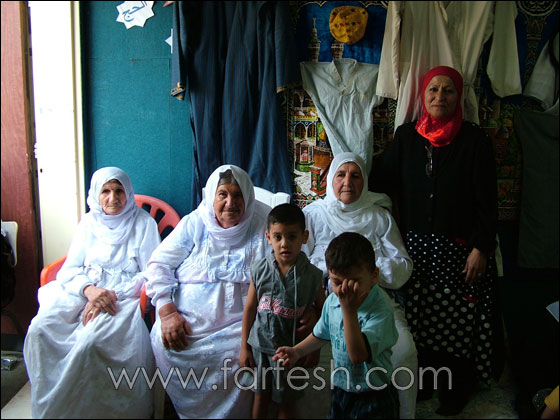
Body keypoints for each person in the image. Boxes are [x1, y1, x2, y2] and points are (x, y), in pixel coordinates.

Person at [371, 65, 500, 415]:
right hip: (416, 248)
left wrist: (481, 247)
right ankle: (426, 381)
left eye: (448, 90)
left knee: (456, 322)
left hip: (459, 250)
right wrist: (345, 178)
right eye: (433, 90)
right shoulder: (407, 137)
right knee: (421, 320)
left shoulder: (474, 141)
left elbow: (488, 201)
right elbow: (381, 178)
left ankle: (456, 388)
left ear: (459, 96)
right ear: (423, 95)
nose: (440, 96)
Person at [23, 167, 161, 418]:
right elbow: (70, 268)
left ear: (128, 193)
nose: (112, 198)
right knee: (39, 330)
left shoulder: (144, 224)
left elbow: (152, 273)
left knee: (90, 343)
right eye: (105, 191)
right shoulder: (88, 222)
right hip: (83, 289)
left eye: (119, 191)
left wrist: (109, 294)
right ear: (96, 194)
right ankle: (54, 408)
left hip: (122, 297)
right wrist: (89, 290)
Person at [145, 165, 275, 419]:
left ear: (248, 197)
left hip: (241, 323)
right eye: (223, 194)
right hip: (188, 319)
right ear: (212, 197)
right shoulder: (195, 222)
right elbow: (159, 264)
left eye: (238, 195)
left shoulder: (264, 224)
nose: (230, 203)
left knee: (246, 356)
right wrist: (167, 312)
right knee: (166, 339)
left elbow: (287, 267)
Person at [303, 151, 418, 418]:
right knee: (312, 359)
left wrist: (365, 273)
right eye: (341, 175)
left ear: (364, 181)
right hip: (325, 305)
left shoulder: (378, 216)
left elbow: (402, 267)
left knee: (403, 352)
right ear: (330, 180)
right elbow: (299, 263)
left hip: (375, 301)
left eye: (355, 176)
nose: (347, 182)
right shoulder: (314, 214)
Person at [274, 232, 399, 419]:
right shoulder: (333, 300)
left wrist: (348, 311)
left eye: (354, 282)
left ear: (374, 275)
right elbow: (321, 334)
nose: (344, 291)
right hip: (342, 387)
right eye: (337, 282)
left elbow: (358, 356)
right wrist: (297, 351)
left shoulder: (381, 309)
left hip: (373, 392)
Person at [240, 203, 325, 418]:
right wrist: (244, 347)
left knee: (287, 403)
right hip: (261, 347)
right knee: (261, 398)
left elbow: (324, 313)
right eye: (278, 237)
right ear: (268, 238)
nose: (284, 244)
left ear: (304, 237)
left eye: (292, 236)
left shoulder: (313, 276)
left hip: (292, 352)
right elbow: (250, 307)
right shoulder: (260, 270)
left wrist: (314, 349)